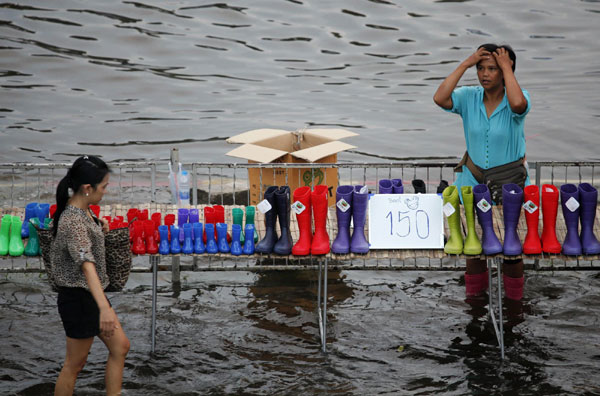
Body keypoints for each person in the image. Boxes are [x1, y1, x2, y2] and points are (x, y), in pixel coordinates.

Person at [433, 43, 529, 302]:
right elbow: (440, 98)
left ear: (506, 72)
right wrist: (465, 63)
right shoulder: (469, 97)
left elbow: (519, 104)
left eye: (493, 69)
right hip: (471, 182)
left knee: (512, 253)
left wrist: (508, 68)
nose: (485, 74)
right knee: (473, 251)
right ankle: (475, 305)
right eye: (481, 68)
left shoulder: (517, 98)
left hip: (511, 186)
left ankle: (514, 307)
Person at [51, 155, 130, 396]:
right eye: (104, 187)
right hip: (79, 298)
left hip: (90, 294)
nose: (105, 192)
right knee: (74, 365)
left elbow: (85, 235)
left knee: (121, 347)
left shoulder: (83, 212)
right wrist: (104, 308)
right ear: (88, 188)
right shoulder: (72, 221)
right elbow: (87, 265)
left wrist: (99, 225)